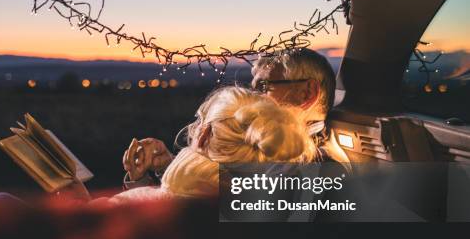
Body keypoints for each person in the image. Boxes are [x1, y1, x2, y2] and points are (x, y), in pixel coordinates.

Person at [123, 47, 348, 189]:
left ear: (307, 93)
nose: (252, 98)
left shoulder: (314, 170)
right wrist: (167, 167)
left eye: (263, 86)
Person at [108, 86, 316, 203]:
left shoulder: (125, 209)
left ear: (204, 135)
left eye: (199, 119)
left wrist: (75, 185)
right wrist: (164, 168)